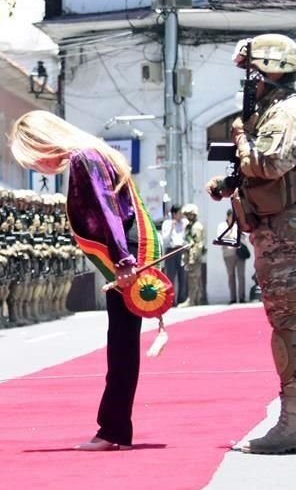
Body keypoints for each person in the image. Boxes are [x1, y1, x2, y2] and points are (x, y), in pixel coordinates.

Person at [207, 34, 296, 454]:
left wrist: (241, 137)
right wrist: (229, 184)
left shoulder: (290, 111)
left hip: (288, 233)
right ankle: (293, 420)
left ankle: (294, 423)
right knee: (285, 326)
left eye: (254, 71)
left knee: (290, 327)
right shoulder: (273, 111)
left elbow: (270, 162)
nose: (250, 80)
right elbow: (264, 173)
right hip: (275, 230)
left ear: (271, 71)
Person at [10, 110, 159, 452]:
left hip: (123, 254)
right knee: (122, 346)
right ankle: (114, 428)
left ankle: (112, 430)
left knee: (121, 347)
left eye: (33, 158)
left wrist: (122, 261)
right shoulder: (95, 153)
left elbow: (108, 210)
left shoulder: (83, 158)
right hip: (125, 251)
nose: (38, 167)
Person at [217, 209, 248, 303]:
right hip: (228, 253)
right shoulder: (222, 225)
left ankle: (242, 297)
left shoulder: (238, 224)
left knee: (241, 275)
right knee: (231, 276)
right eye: (231, 216)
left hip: (239, 252)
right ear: (227, 216)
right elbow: (220, 237)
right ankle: (233, 298)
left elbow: (245, 235)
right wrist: (230, 230)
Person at [179, 204, 206, 307]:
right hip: (189, 255)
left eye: (189, 214)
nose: (187, 216)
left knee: (193, 278)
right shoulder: (189, 226)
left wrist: (192, 258)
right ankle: (195, 300)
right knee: (193, 278)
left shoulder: (196, 227)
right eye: (187, 215)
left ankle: (192, 300)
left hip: (194, 257)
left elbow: (197, 244)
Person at [160, 205, 187, 304]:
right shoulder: (167, 223)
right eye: (179, 213)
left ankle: (181, 299)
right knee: (170, 276)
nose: (181, 215)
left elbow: (184, 237)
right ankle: (171, 301)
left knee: (182, 275)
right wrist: (171, 228)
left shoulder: (184, 223)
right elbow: (165, 239)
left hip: (181, 249)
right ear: (174, 214)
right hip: (171, 250)